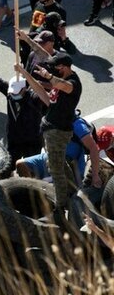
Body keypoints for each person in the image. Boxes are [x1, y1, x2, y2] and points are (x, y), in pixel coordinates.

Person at [15, 52, 94, 226]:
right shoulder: (59, 84)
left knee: (55, 170)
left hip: (58, 132)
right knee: (57, 165)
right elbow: (44, 95)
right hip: (51, 130)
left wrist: (49, 76)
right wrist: (26, 74)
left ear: (64, 68)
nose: (52, 70)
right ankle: (73, 192)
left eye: (56, 68)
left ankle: (60, 208)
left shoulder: (72, 84)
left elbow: (61, 84)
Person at [0, 67, 44, 171]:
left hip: (32, 140)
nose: (13, 95)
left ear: (25, 88)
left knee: (32, 169)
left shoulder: (35, 98)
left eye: (16, 92)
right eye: (12, 92)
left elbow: (47, 97)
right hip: (13, 138)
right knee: (8, 166)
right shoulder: (9, 91)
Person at [16, 116, 101, 187]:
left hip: (68, 163)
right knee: (20, 164)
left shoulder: (78, 125)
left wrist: (95, 176)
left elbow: (93, 148)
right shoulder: (52, 117)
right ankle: (35, 194)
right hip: (50, 157)